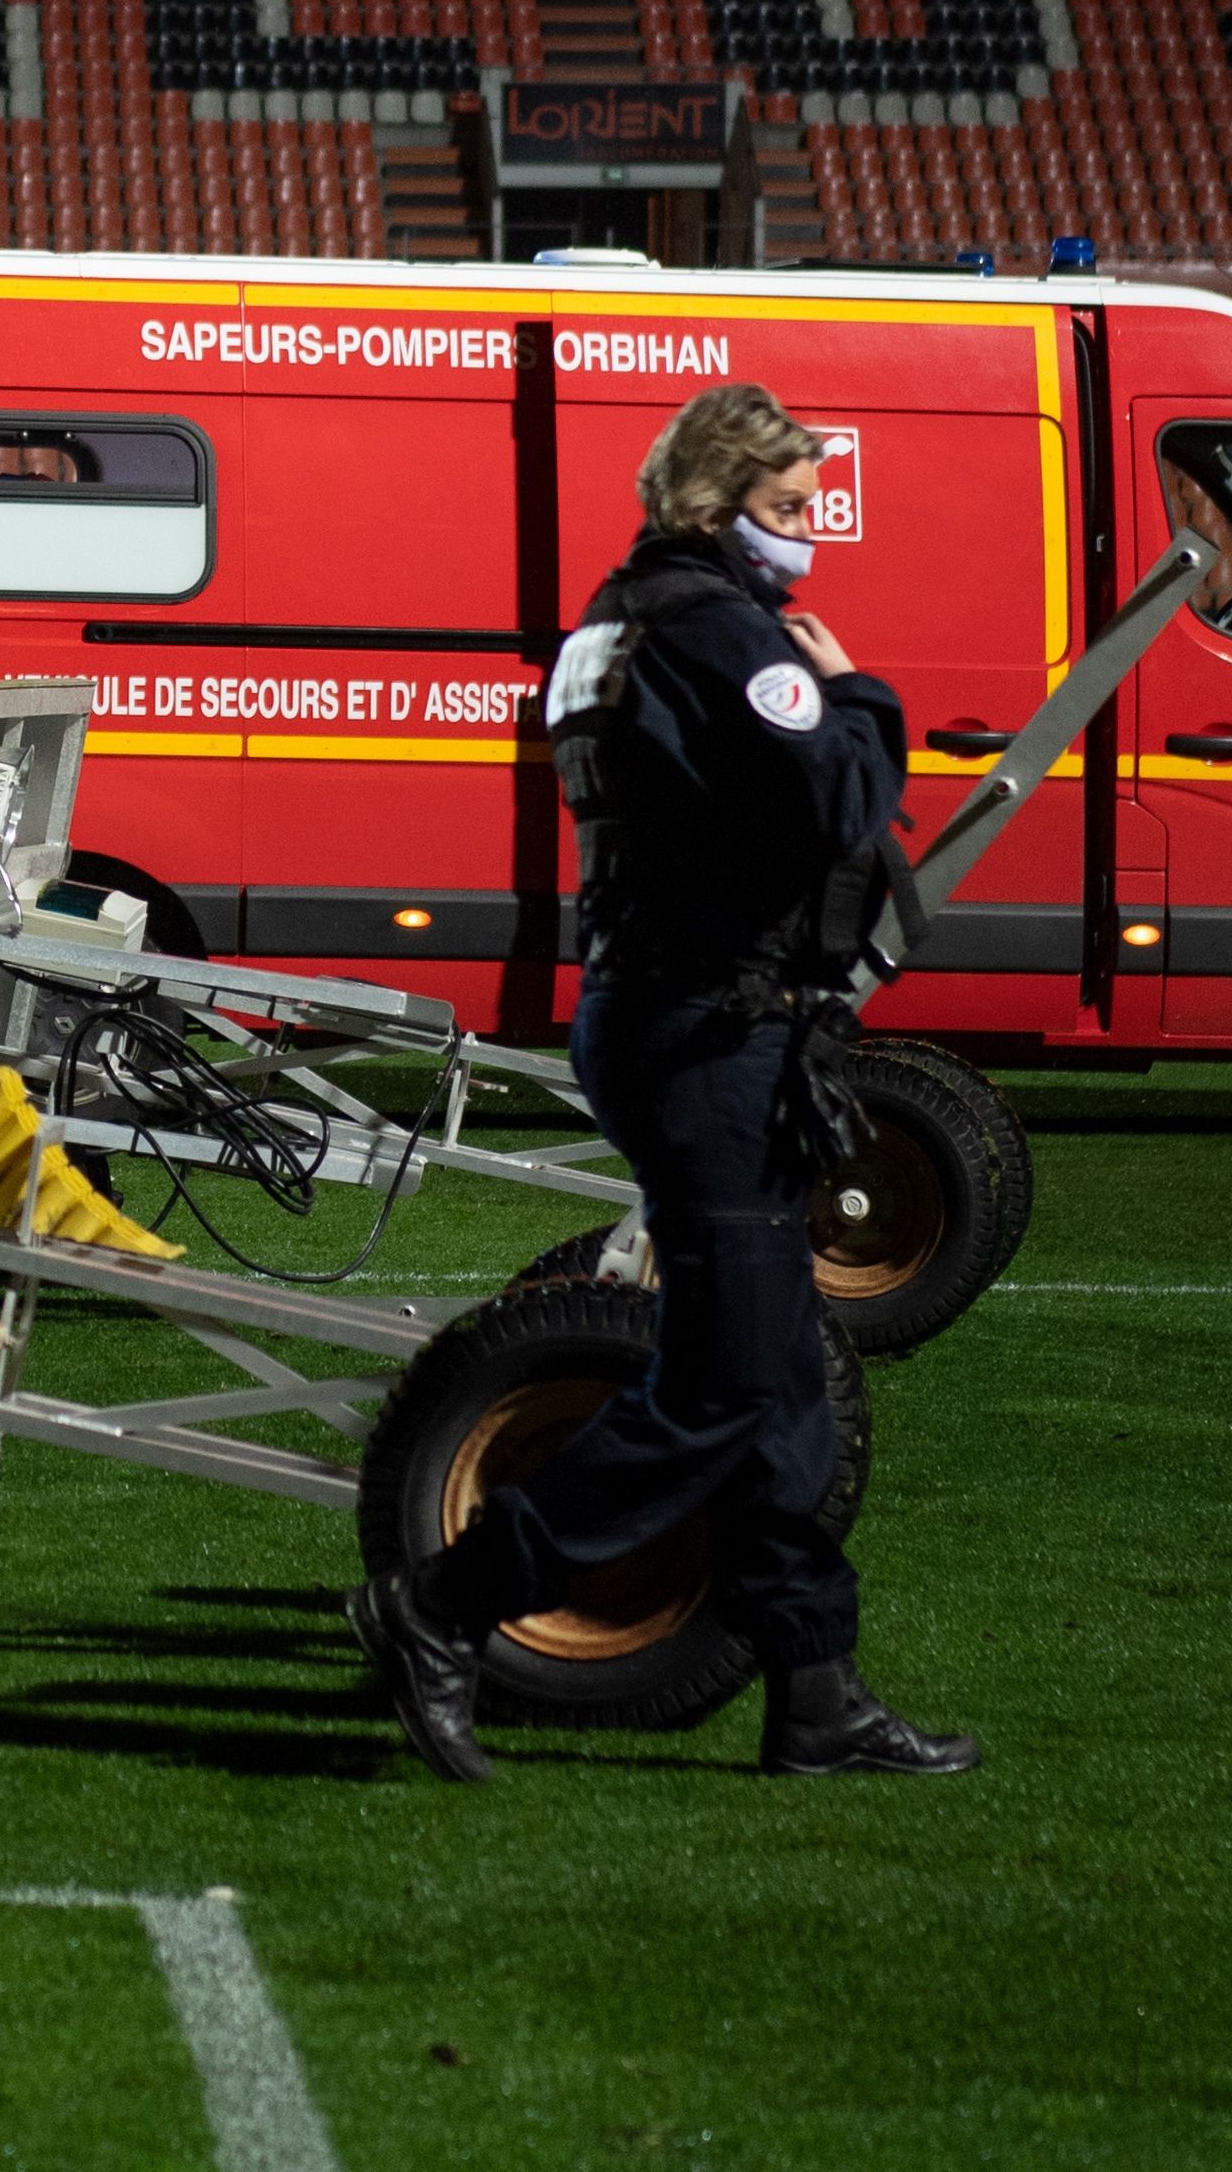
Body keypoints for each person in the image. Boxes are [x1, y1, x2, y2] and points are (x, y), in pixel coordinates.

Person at [365, 381, 979, 1781]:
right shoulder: (713, 622)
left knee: (773, 1388)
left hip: (670, 1012)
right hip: (707, 1028)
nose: (807, 531)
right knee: (717, 1382)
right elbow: (834, 798)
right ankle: (443, 1600)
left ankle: (812, 1692)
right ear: (711, 503)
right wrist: (855, 689)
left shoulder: (615, 616)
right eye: (786, 505)